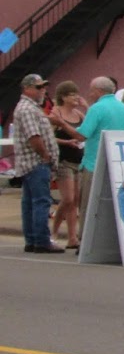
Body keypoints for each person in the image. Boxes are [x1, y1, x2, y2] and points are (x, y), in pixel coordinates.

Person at [12, 74, 63, 253]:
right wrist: (45, 155)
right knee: (41, 201)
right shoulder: (27, 109)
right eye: (39, 87)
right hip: (35, 162)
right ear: (27, 88)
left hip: (30, 163)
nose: (43, 90)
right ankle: (41, 240)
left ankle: (32, 239)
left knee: (30, 202)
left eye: (43, 87)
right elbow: (34, 136)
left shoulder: (31, 108)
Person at [50, 80, 88, 249]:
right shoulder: (56, 113)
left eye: (77, 94)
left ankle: (72, 237)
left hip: (77, 160)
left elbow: (89, 128)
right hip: (63, 160)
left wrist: (86, 107)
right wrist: (66, 142)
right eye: (72, 94)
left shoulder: (78, 114)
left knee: (75, 200)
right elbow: (49, 137)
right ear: (63, 97)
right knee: (67, 198)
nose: (76, 97)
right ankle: (54, 232)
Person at [79, 75, 124, 177]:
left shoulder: (96, 108)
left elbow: (81, 135)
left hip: (94, 164)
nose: (90, 95)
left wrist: (61, 123)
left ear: (99, 91)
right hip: (116, 165)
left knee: (90, 188)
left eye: (92, 91)